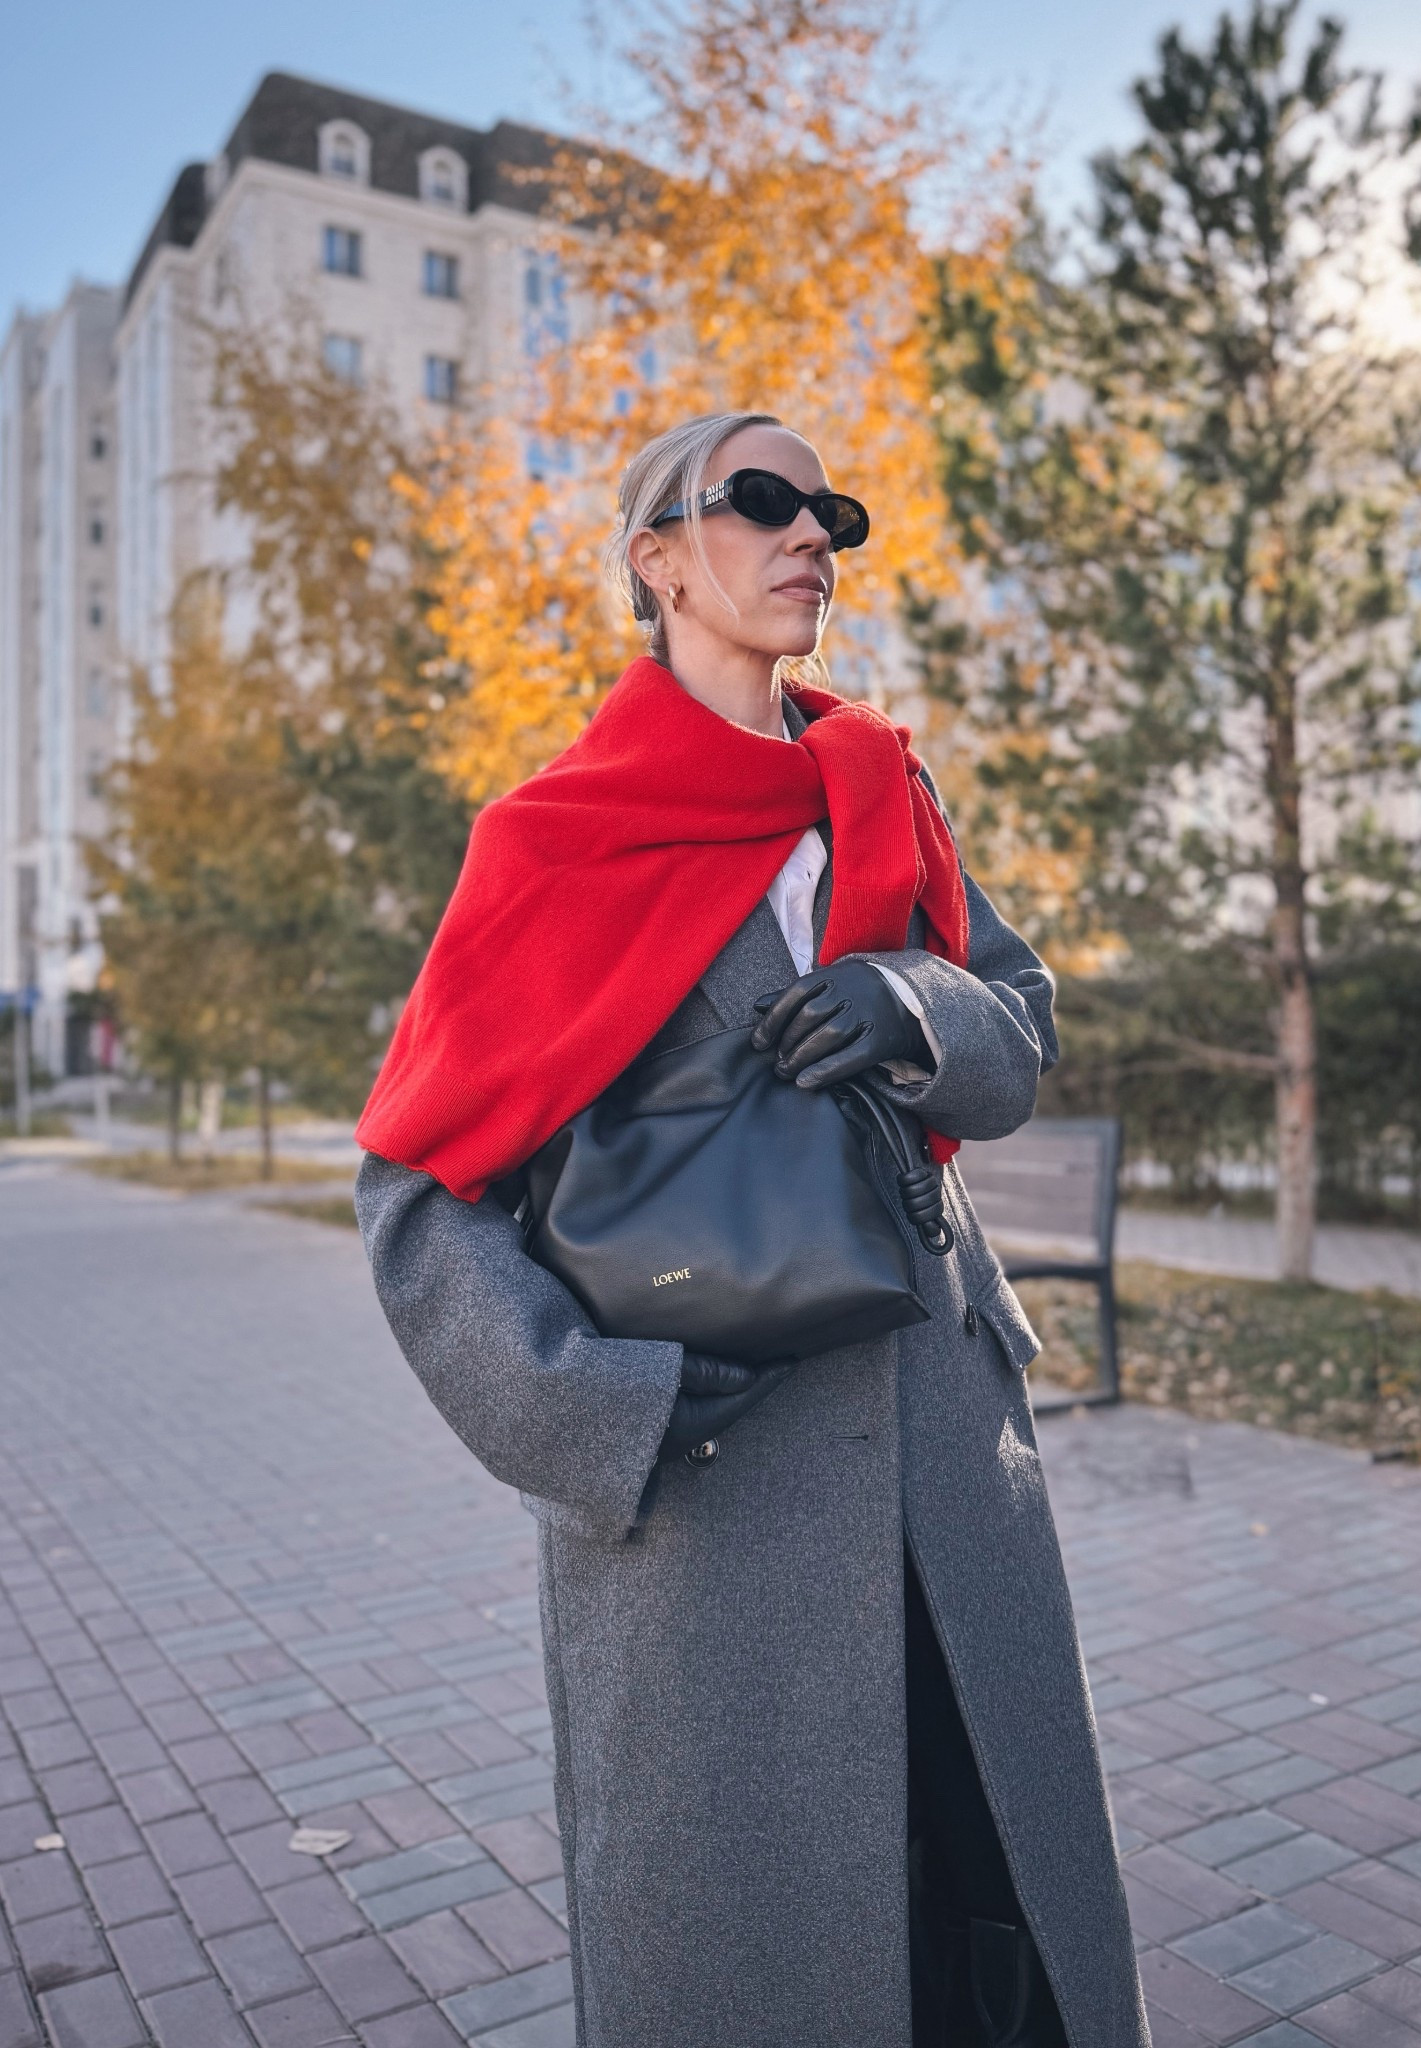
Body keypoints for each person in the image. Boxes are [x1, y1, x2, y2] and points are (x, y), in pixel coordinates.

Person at [353, 411, 1148, 2048]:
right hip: (713, 1498)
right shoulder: (549, 838)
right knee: (754, 1953)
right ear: (655, 562)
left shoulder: (878, 785)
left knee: (990, 1898)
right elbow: (422, 1193)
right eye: (766, 504)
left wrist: (910, 997)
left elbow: (1020, 1018)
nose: (813, 539)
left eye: (830, 513)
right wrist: (598, 1397)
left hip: (946, 1447)